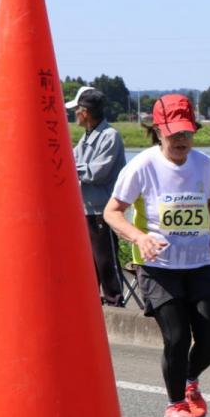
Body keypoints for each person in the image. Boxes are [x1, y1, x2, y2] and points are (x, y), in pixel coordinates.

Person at [104, 94, 210, 417]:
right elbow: (112, 212)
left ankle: (190, 380)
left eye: (187, 132)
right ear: (158, 131)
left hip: (199, 262)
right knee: (176, 337)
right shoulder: (142, 166)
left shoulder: (202, 164)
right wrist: (139, 238)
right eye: (174, 133)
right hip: (158, 267)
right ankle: (175, 406)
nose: (181, 140)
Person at [68, 86, 126, 306]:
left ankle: (115, 301)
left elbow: (97, 172)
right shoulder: (87, 136)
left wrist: (70, 167)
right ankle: (91, 302)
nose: (74, 115)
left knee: (105, 259)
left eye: (76, 110)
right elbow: (71, 158)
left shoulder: (110, 136)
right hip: (87, 207)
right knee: (89, 260)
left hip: (104, 209)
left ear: (85, 112)